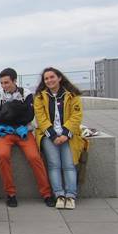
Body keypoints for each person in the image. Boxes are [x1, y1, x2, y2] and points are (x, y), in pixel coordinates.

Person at [0, 67, 54, 208]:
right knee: (2, 156)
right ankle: (10, 194)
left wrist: (8, 114)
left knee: (34, 157)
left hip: (24, 131)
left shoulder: (26, 93)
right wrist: (15, 114)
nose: (4, 86)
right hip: (6, 132)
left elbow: (29, 116)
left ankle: (46, 193)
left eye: (7, 82)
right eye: (2, 83)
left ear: (14, 80)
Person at [34, 67, 88, 210]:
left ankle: (70, 195)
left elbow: (76, 116)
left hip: (68, 136)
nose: (49, 80)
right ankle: (59, 195)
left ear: (59, 78)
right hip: (48, 135)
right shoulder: (40, 97)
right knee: (54, 165)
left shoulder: (72, 95)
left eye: (52, 77)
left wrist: (65, 134)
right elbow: (41, 118)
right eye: (46, 78)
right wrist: (53, 136)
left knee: (69, 165)